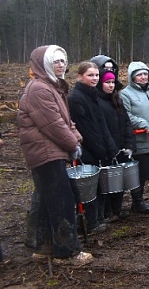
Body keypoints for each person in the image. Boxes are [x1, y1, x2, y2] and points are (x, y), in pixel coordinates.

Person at [19, 46, 92, 265]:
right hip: (45, 153)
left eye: (63, 60)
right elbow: (53, 124)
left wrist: (76, 137)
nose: (61, 65)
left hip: (50, 151)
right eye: (55, 61)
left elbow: (66, 120)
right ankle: (66, 251)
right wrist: (72, 143)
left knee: (46, 200)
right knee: (62, 199)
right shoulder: (39, 89)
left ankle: (45, 246)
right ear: (43, 65)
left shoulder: (52, 87)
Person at [68, 61, 119, 233]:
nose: (94, 78)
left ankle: (99, 217)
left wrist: (110, 147)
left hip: (101, 148)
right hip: (87, 150)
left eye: (96, 75)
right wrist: (100, 149)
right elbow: (86, 128)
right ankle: (91, 222)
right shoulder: (76, 98)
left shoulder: (93, 95)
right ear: (80, 76)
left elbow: (102, 124)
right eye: (90, 75)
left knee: (101, 185)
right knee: (89, 188)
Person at [120, 62, 149, 213]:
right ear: (132, 77)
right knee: (139, 172)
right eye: (139, 74)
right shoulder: (125, 94)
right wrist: (142, 123)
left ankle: (142, 199)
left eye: (145, 74)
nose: (143, 77)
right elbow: (126, 115)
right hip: (140, 139)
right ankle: (137, 201)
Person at [96, 70, 135, 222]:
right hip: (107, 148)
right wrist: (110, 148)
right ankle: (107, 212)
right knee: (106, 182)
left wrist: (129, 144)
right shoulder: (97, 102)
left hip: (121, 145)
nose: (111, 85)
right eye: (107, 82)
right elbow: (101, 127)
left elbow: (126, 122)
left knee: (119, 180)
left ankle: (117, 209)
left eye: (112, 82)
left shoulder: (117, 100)